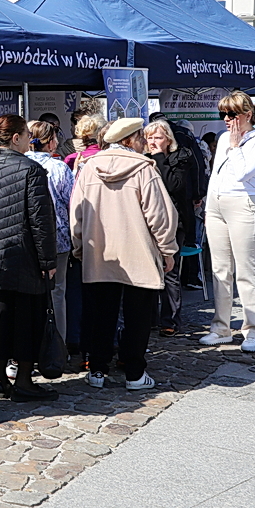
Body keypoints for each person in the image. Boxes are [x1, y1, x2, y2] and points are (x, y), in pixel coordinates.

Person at [70, 117, 178, 390]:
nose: (144, 142)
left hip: (100, 254)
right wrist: (167, 249)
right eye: (141, 137)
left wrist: (79, 247)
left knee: (101, 314)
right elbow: (160, 215)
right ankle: (134, 374)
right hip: (137, 252)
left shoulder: (89, 167)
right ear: (129, 140)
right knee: (137, 317)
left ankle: (97, 370)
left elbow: (76, 213)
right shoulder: (144, 169)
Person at [0, 115, 59, 401]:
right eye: (27, 134)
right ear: (15, 138)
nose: (30, 139)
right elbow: (41, 221)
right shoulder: (31, 169)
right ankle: (24, 381)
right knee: (25, 322)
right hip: (22, 258)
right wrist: (48, 261)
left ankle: (0, 379)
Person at [201, 91, 255, 351]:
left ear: (247, 115)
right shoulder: (222, 138)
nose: (226, 119)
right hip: (217, 202)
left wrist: (235, 145)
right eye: (223, 114)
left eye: (232, 114)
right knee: (220, 269)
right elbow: (216, 174)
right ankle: (221, 327)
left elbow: (244, 173)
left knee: (246, 269)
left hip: (244, 202)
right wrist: (209, 206)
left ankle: (254, 331)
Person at [27, 121, 76, 357]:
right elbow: (71, 203)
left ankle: (30, 348)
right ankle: (58, 347)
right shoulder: (59, 168)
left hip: (28, 238)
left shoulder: (21, 164)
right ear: (51, 142)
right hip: (58, 238)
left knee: (30, 294)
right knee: (57, 292)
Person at [145, 119, 196, 336]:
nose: (153, 142)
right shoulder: (142, 160)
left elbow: (174, 186)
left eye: (157, 137)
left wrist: (158, 158)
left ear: (168, 139)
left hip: (175, 221)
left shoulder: (180, 158)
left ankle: (170, 320)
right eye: (149, 137)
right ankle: (149, 318)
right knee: (149, 270)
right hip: (148, 220)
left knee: (170, 270)